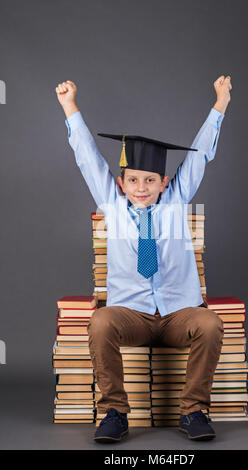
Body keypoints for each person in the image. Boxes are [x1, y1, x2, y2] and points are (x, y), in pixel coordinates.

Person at [56, 75, 232, 442]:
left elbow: (200, 156)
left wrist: (220, 104)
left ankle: (194, 411)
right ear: (121, 183)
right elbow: (87, 158)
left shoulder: (177, 199)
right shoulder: (112, 204)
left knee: (212, 324)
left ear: (164, 182)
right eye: (133, 180)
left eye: (150, 181)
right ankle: (115, 413)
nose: (141, 189)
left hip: (176, 313)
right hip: (131, 314)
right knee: (101, 322)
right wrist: (70, 107)